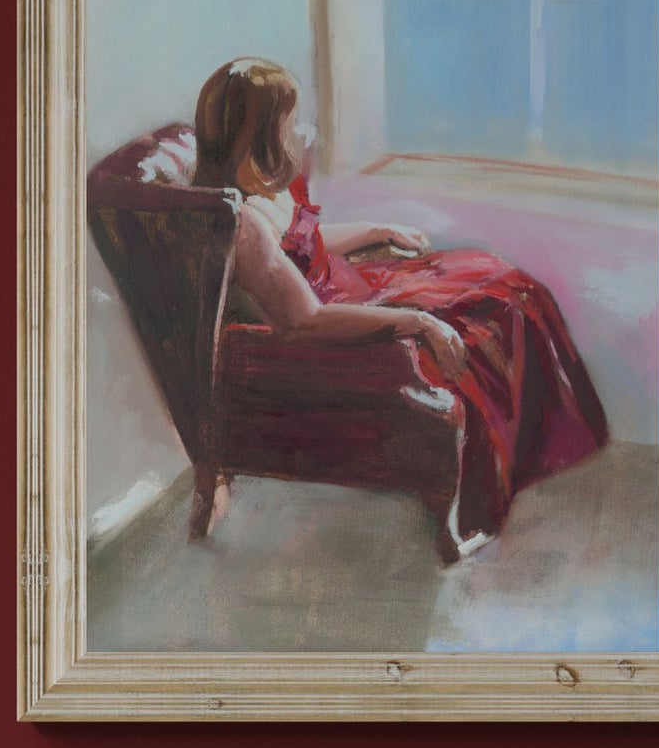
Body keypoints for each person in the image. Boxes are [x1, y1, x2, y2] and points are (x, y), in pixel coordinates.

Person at [195, 57, 609, 548]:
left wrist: (377, 229)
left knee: (507, 285)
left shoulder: (269, 186)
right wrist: (415, 322)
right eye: (285, 120)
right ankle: (499, 481)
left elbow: (306, 242)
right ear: (256, 131)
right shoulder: (241, 224)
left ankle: (541, 446)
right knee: (484, 319)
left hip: (359, 284)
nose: (296, 130)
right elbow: (304, 319)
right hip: (343, 316)